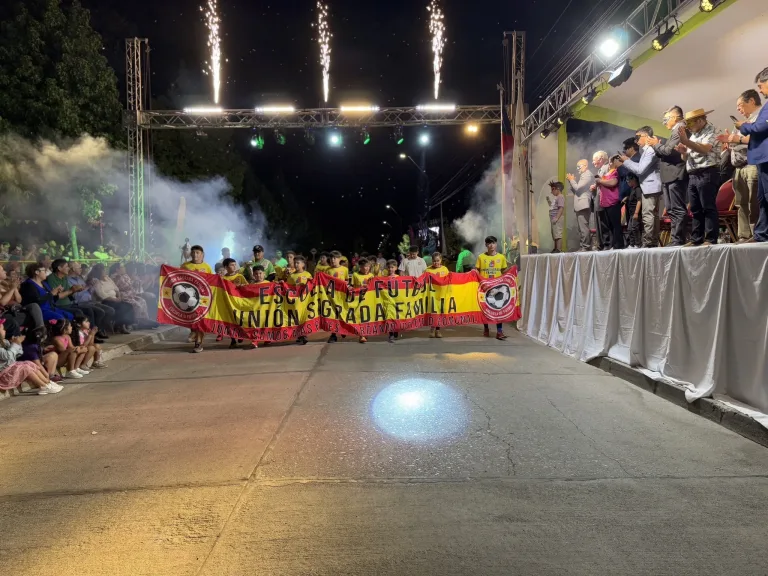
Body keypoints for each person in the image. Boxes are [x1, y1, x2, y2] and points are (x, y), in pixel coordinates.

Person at [719, 87, 764, 242]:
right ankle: (744, 235)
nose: (738, 109)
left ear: (751, 101)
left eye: (740, 105)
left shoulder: (760, 116)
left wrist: (734, 139)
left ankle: (757, 234)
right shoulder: (739, 123)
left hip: (751, 164)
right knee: (741, 204)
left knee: (755, 202)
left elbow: (754, 139)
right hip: (738, 167)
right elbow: (737, 141)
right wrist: (729, 143)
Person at [733, 67, 768, 243]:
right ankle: (761, 234)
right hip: (762, 159)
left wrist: (743, 127)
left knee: (764, 197)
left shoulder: (766, 108)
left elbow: (760, 128)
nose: (760, 90)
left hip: (764, 157)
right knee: (762, 198)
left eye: (761, 86)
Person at [676, 108, 721, 246]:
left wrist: (686, 142)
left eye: (690, 124)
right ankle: (696, 239)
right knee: (695, 208)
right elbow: (687, 157)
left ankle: (710, 238)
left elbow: (705, 149)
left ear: (700, 120)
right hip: (693, 174)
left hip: (707, 171)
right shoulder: (694, 134)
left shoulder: (712, 130)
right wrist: (683, 152)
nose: (688, 127)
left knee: (708, 206)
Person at [647, 106, 688, 246]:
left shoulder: (680, 129)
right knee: (670, 209)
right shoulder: (674, 131)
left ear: (675, 117)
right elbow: (665, 151)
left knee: (677, 208)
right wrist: (657, 146)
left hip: (675, 173)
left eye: (666, 119)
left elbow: (671, 151)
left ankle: (679, 239)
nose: (664, 122)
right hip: (669, 175)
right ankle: (676, 238)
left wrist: (656, 145)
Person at [621, 127, 663, 247]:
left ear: (646, 136)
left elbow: (640, 170)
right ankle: (652, 242)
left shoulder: (650, 150)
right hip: (651, 186)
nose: (636, 140)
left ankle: (649, 242)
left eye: (638, 137)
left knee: (648, 215)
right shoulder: (646, 150)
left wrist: (626, 161)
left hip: (651, 186)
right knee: (652, 216)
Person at [0, 320, 62, 395]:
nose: (5, 331)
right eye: (3, 329)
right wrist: (15, 344)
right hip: (3, 375)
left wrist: (17, 343)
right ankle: (43, 386)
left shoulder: (5, 342)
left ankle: (47, 382)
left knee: (29, 363)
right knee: (25, 368)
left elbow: (19, 353)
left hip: (9, 370)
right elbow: (8, 356)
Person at [68, 262, 113, 339]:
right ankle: (93, 334)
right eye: (79, 268)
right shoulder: (68, 280)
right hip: (79, 303)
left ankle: (100, 329)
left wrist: (92, 286)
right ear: (73, 269)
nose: (81, 269)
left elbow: (88, 292)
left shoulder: (80, 278)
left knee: (110, 310)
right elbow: (75, 296)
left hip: (90, 301)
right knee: (99, 312)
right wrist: (87, 286)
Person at [476, 236, 508, 340]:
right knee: (485, 309)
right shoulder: (481, 257)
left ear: (496, 244)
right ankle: (486, 328)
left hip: (497, 288)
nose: (491, 245)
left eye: (493, 243)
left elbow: (505, 272)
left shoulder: (501, 257)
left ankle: (499, 331)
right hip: (484, 288)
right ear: (486, 245)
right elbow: (476, 271)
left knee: (498, 308)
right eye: (489, 243)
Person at [87, 264, 134, 334]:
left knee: (129, 306)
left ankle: (122, 324)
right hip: (106, 301)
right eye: (103, 270)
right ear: (99, 272)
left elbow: (116, 289)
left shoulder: (108, 278)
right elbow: (101, 295)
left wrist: (119, 297)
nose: (105, 271)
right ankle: (119, 325)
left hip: (115, 299)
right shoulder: (96, 281)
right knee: (121, 308)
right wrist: (114, 299)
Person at [110, 263, 156, 328]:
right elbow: (120, 287)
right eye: (122, 267)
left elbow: (130, 285)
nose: (124, 268)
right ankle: (137, 322)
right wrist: (132, 283)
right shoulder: (115, 277)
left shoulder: (125, 275)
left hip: (131, 294)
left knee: (142, 301)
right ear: (117, 269)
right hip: (123, 295)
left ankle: (145, 320)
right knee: (137, 305)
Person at [566, 159, 594, 251]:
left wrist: (572, 180)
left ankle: (585, 246)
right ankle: (583, 246)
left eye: (579, 166)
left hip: (584, 204)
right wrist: (571, 181)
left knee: (584, 227)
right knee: (581, 228)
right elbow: (577, 191)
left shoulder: (587, 174)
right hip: (580, 205)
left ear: (585, 166)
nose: (577, 169)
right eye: (577, 167)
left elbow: (578, 188)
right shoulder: (583, 175)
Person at [598, 156, 625, 250]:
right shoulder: (608, 172)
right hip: (605, 202)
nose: (609, 164)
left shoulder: (616, 172)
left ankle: (619, 244)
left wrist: (600, 181)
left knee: (615, 224)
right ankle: (612, 244)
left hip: (612, 201)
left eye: (610, 162)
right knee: (609, 225)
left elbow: (613, 182)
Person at [590, 151, 612, 250]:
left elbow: (608, 182)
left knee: (604, 222)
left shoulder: (607, 168)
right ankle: (601, 243)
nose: (592, 162)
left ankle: (607, 244)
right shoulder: (601, 170)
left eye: (594, 159)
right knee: (599, 222)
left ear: (601, 159)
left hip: (604, 199)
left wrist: (598, 184)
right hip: (599, 198)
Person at [426, 252, 449, 339]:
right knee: (433, 313)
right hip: (432, 296)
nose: (436, 263)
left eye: (437, 261)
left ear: (441, 260)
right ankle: (432, 329)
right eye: (434, 261)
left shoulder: (445, 269)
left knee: (440, 313)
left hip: (442, 296)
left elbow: (449, 280)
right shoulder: (428, 270)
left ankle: (438, 330)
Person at [351, 259, 374, 343]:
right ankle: (362, 335)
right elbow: (352, 287)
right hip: (359, 299)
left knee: (368, 317)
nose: (366, 268)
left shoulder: (371, 275)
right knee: (360, 317)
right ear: (360, 267)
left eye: (368, 266)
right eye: (364, 267)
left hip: (369, 299)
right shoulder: (355, 275)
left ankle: (366, 332)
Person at [381, 259, 401, 343]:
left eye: (392, 267)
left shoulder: (399, 278)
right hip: (388, 301)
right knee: (389, 316)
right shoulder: (384, 278)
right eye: (389, 267)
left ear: (396, 268)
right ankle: (391, 334)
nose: (390, 269)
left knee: (396, 316)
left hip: (396, 301)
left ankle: (396, 330)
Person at [624, 173, 643, 248]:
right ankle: (632, 244)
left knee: (635, 228)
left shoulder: (638, 189)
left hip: (635, 213)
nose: (628, 183)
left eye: (629, 181)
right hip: (631, 213)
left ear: (633, 180)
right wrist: (627, 198)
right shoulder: (632, 189)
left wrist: (636, 213)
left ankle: (638, 244)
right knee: (629, 229)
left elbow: (639, 201)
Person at [546, 181, 565, 253]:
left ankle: (559, 249)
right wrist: (548, 201)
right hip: (553, 218)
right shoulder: (556, 198)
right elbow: (552, 206)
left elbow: (561, 208)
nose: (552, 192)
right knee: (554, 233)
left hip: (557, 218)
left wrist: (557, 218)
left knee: (558, 233)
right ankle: (555, 247)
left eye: (553, 189)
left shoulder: (560, 197)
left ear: (558, 189)